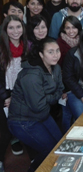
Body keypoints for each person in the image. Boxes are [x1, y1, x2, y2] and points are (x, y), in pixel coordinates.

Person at [7, 37, 64, 172]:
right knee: (51, 150)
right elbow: (39, 106)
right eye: (50, 52)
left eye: (57, 50)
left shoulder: (56, 68)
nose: (55, 55)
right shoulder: (31, 74)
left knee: (61, 146)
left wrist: (46, 97)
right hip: (23, 121)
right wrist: (51, 98)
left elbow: (60, 89)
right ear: (41, 54)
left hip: (42, 115)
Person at [0, 15, 28, 158]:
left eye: (18, 27)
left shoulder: (28, 46)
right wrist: (6, 96)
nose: (15, 31)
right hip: (4, 93)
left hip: (23, 91)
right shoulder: (1, 48)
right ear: (5, 30)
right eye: (11, 27)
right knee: (3, 131)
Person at [56, 16, 82, 133]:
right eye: (68, 28)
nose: (71, 31)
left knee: (79, 115)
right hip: (65, 86)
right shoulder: (59, 44)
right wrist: (63, 90)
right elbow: (57, 69)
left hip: (81, 84)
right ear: (63, 29)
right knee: (67, 114)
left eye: (74, 27)